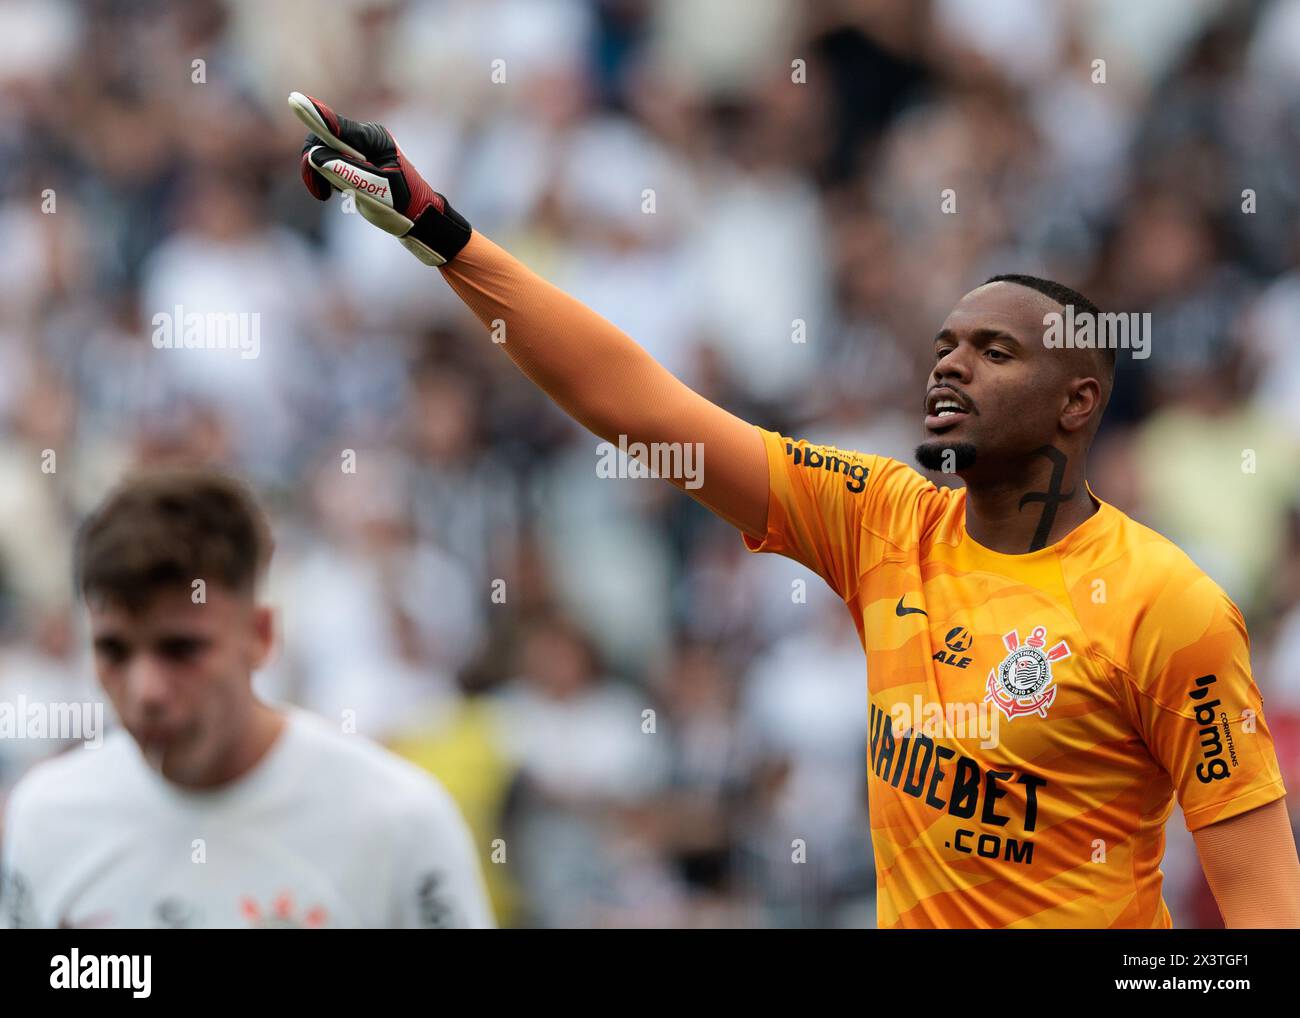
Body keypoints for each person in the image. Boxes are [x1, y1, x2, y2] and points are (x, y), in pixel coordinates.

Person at [289, 95, 1300, 928]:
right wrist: (444, 234)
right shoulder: (881, 522)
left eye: (995, 350)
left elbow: (1261, 909)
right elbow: (639, 407)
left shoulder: (1168, 604)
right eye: (945, 343)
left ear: (1079, 401)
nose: (950, 361)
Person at [0, 469, 493, 929]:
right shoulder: (46, 819)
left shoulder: (400, 823)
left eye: (181, 649)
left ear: (260, 636)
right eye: (113, 650)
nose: (146, 690)